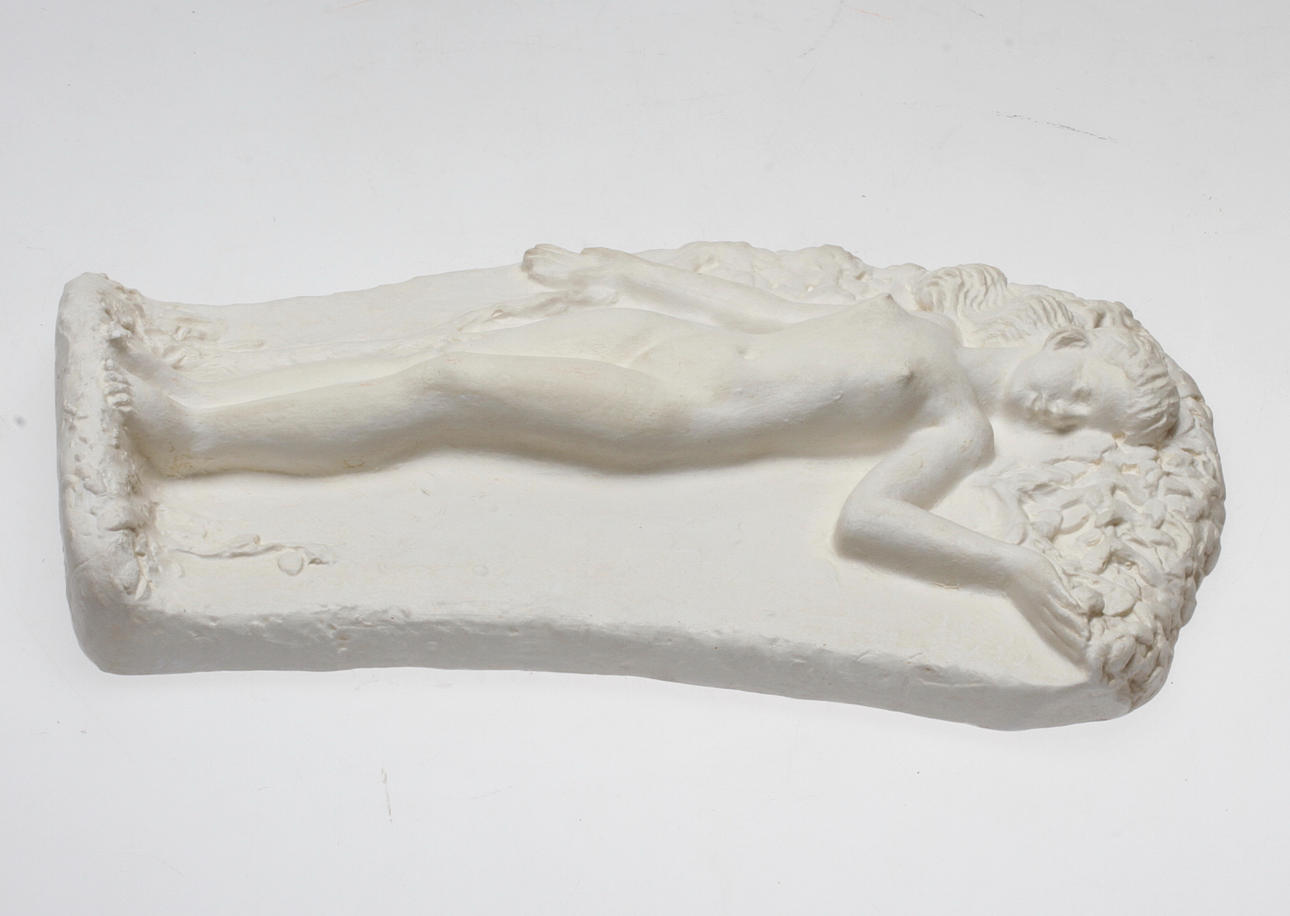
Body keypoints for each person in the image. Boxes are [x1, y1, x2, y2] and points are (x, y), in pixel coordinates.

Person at [109, 244, 1180, 660]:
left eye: (1077, 423)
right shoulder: (919, 321)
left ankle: (190, 439)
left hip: (668, 411)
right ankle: (194, 383)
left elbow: (867, 521)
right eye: (1083, 389)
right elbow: (764, 316)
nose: (1060, 408)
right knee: (437, 352)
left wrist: (1007, 565)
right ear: (1063, 345)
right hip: (667, 346)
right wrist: (629, 276)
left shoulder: (958, 429)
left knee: (446, 391)